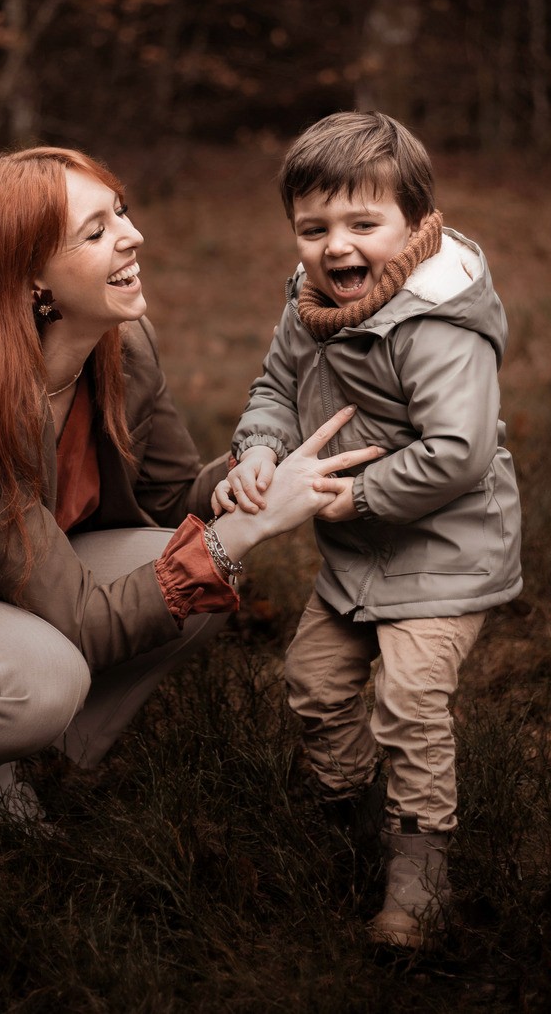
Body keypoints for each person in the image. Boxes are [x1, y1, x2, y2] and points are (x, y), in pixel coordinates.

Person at [0, 146, 379, 834]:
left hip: (0, 579)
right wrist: (247, 528)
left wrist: (267, 455)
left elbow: (174, 498)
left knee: (200, 569)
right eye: (95, 231)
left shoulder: (126, 345)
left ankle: (13, 761)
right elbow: (87, 624)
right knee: (49, 677)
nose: (133, 235)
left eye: (121, 211)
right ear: (31, 280)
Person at [213, 112, 522, 948]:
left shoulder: (436, 324)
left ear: (415, 225)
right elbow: (275, 387)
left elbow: (457, 450)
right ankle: (349, 815)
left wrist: (357, 496)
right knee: (313, 681)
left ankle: (419, 871)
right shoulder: (309, 304)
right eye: (313, 229)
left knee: (409, 701)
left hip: (446, 552)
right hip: (358, 556)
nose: (336, 247)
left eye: (362, 224)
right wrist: (259, 449)